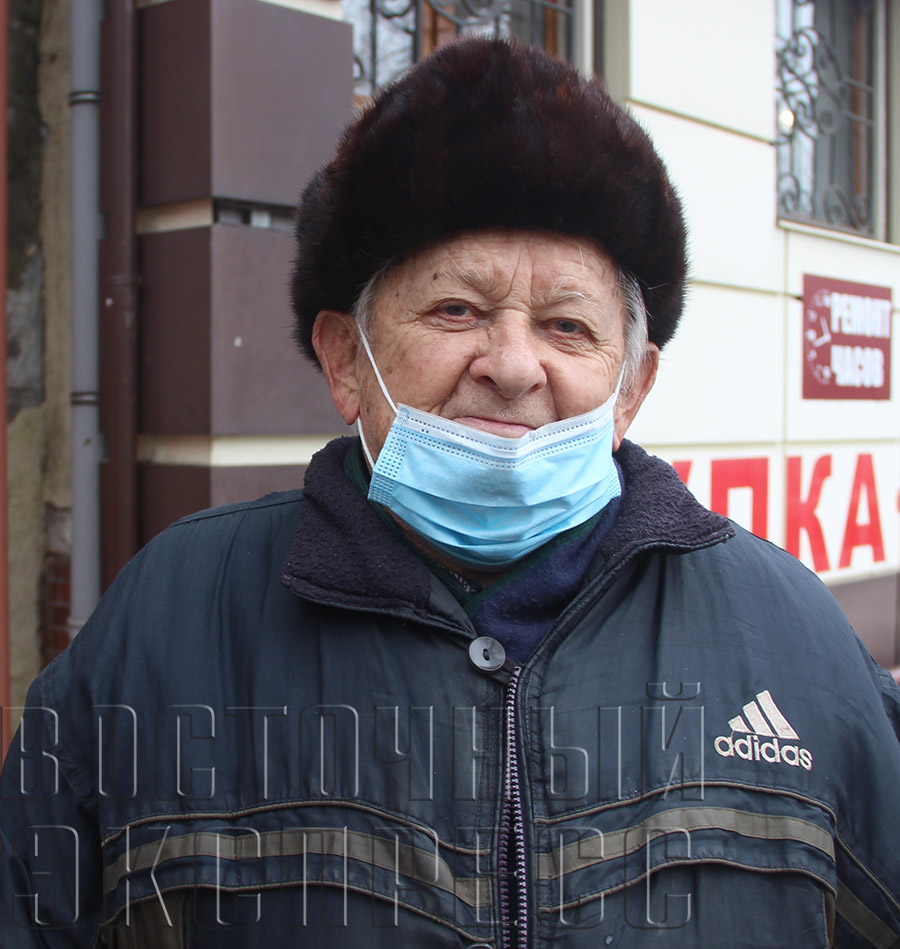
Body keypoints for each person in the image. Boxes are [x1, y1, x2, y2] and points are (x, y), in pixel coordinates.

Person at [2, 37, 899, 949]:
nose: (512, 366)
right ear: (346, 361)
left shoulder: (791, 641)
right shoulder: (170, 625)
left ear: (631, 388)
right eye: (456, 310)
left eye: (567, 325)